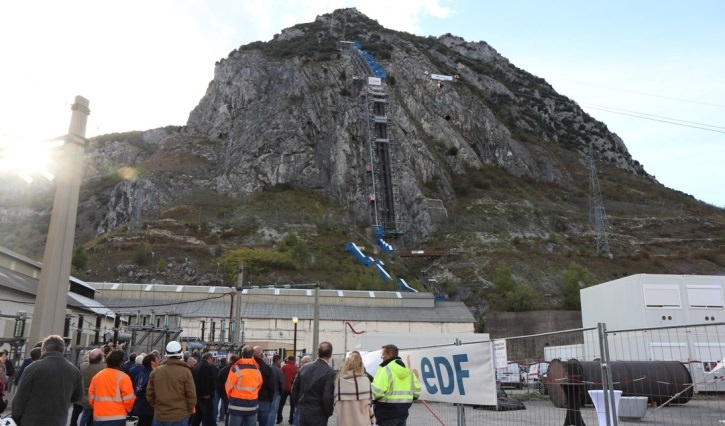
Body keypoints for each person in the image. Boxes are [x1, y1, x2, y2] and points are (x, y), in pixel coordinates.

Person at [11, 334, 83, 426]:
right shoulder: (74, 371)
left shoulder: (33, 368)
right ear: (62, 350)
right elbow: (77, 397)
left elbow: (20, 397)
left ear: (44, 349)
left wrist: (15, 418)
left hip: (31, 420)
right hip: (58, 420)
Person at [146, 340, 197, 426]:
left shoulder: (156, 371)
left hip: (160, 415)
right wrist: (187, 411)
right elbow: (191, 395)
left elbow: (149, 394)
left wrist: (158, 407)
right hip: (180, 416)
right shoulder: (186, 372)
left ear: (166, 354)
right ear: (181, 353)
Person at [371, 345, 421, 426]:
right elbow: (417, 393)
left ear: (389, 355)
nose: (382, 357)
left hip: (386, 414)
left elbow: (377, 392)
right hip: (402, 414)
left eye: (383, 354)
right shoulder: (409, 372)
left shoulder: (385, 370)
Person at [290, 342, 335, 426]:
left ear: (318, 353)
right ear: (330, 354)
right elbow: (327, 397)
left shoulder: (304, 367)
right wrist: (328, 412)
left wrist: (299, 405)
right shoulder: (329, 372)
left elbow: (294, 389)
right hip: (319, 413)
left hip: (304, 412)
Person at [89, 349, 136, 425]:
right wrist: (129, 410)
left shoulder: (97, 376)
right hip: (117, 417)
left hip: (99, 417)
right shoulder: (124, 377)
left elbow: (91, 398)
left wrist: (98, 407)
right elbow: (129, 399)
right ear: (121, 362)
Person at [225, 345, 263, 426]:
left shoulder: (235, 369)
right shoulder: (257, 370)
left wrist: (231, 397)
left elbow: (228, 386)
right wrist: (252, 394)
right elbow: (259, 385)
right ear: (252, 355)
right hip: (252, 405)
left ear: (242, 353)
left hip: (236, 404)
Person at [334, 352, 375, 426]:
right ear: (361, 365)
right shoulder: (365, 380)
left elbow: (337, 403)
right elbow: (369, 403)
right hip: (363, 421)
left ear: (346, 364)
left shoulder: (340, 381)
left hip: (345, 421)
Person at [131, 353, 159, 426]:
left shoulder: (140, 374)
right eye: (157, 360)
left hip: (137, 407)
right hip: (148, 409)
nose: (159, 362)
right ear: (152, 362)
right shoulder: (153, 375)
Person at [80, 348, 106, 426]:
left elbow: (85, 360)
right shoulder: (104, 368)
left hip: (85, 397)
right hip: (98, 398)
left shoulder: (83, 366)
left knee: (84, 416)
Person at [191, 352, 217, 426]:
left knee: (197, 417)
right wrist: (206, 394)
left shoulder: (197, 366)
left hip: (197, 396)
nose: (213, 361)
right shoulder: (205, 367)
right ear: (208, 358)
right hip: (205, 397)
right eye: (212, 359)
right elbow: (205, 381)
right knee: (207, 418)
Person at [253, 346, 275, 426]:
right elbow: (271, 385)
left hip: (250, 399)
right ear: (261, 355)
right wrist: (270, 398)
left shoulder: (249, 366)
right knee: (264, 422)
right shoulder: (267, 368)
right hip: (264, 398)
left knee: (250, 421)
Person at [217, 354, 239, 424]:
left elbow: (219, 384)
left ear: (230, 360)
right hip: (237, 395)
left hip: (226, 394)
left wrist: (222, 394)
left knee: (228, 413)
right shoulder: (240, 370)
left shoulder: (223, 370)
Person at [291, 356, 312, 426]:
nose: (302, 364)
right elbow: (294, 388)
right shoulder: (300, 372)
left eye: (304, 362)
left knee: (298, 416)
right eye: (301, 362)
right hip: (302, 400)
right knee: (298, 416)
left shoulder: (300, 372)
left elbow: (294, 388)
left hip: (304, 400)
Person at [277, 356, 297, 425]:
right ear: (294, 360)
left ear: (288, 360)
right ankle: (291, 420)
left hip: (284, 388)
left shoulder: (284, 367)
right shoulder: (296, 367)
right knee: (293, 406)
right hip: (293, 389)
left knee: (281, 404)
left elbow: (280, 377)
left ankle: (279, 419)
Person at [267, 354, 284, 426]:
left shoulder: (268, 368)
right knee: (273, 411)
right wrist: (282, 392)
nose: (281, 362)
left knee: (268, 411)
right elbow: (282, 382)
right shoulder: (278, 370)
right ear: (278, 360)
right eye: (280, 361)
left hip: (268, 392)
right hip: (276, 393)